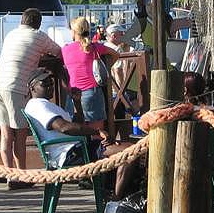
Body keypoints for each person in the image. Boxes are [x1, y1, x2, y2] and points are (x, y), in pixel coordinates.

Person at [24, 69, 137, 200]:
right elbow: (64, 128)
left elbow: (77, 124)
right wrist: (97, 131)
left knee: (127, 147)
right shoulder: (37, 105)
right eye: (44, 84)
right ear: (32, 87)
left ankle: (112, 193)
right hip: (70, 154)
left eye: (51, 83)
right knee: (130, 151)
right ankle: (116, 198)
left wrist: (77, 102)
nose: (50, 87)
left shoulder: (46, 105)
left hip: (77, 148)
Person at [0, 7, 63, 190]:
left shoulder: (11, 35)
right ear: (38, 23)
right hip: (16, 87)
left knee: (6, 135)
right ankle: (21, 176)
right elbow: (59, 52)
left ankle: (9, 175)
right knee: (20, 134)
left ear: (22, 21)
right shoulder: (38, 36)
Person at [61, 16, 119, 133]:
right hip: (92, 92)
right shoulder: (94, 47)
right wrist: (107, 67)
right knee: (98, 132)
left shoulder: (65, 49)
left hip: (73, 94)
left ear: (74, 31)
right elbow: (116, 54)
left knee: (76, 131)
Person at [104, 23, 139, 139]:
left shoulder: (104, 47)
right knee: (124, 114)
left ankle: (112, 138)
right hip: (117, 89)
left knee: (110, 116)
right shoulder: (116, 50)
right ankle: (125, 138)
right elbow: (118, 70)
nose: (123, 36)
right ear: (114, 36)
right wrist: (121, 90)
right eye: (121, 34)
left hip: (107, 88)